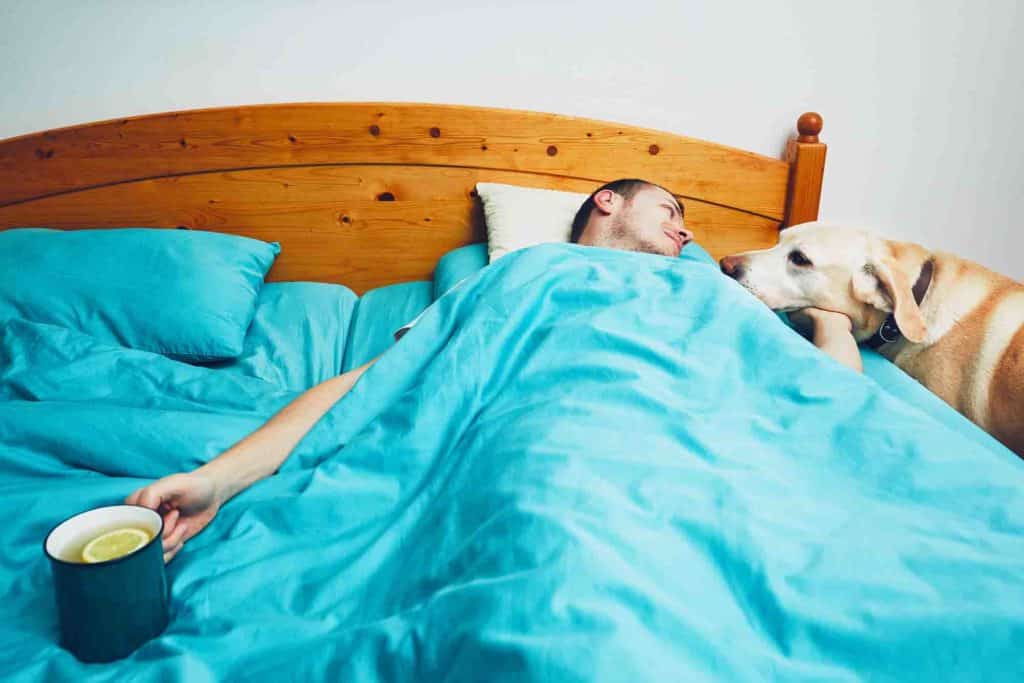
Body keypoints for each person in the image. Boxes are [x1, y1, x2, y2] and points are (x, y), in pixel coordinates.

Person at [126, 179, 859, 563]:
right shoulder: (518, 274)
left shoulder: (701, 285)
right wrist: (219, 479)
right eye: (669, 209)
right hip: (538, 446)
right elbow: (368, 384)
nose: (686, 229)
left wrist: (831, 316)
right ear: (608, 202)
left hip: (680, 451)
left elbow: (831, 394)